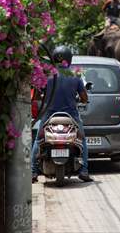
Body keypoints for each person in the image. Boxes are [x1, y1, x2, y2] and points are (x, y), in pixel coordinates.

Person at [31, 46, 93, 183]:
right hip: (71, 115)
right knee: (82, 140)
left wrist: (43, 96)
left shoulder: (47, 74)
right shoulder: (75, 76)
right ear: (69, 59)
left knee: (38, 141)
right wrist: (82, 99)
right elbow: (84, 97)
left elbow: (35, 96)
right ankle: (84, 171)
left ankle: (33, 172)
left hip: (49, 115)